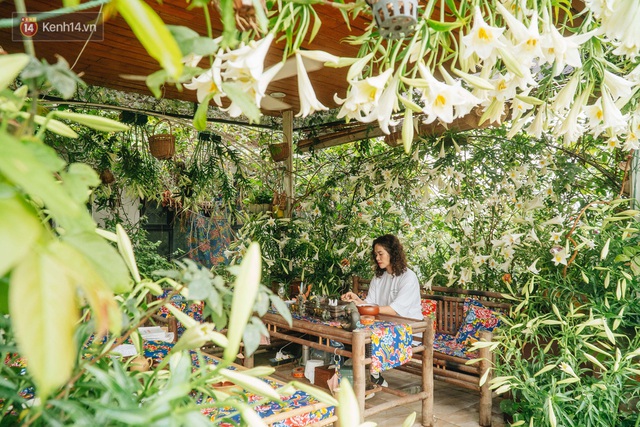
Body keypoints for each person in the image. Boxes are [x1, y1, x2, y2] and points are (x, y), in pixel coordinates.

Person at [340, 234, 423, 387]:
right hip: (385, 326)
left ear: (392, 253)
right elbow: (369, 304)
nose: (377, 258)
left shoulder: (408, 277)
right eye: (375, 254)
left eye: (380, 254)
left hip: (409, 330)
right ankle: (364, 377)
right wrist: (356, 299)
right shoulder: (379, 277)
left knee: (363, 336)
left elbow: (394, 310)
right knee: (352, 333)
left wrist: (366, 307)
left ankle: (372, 377)